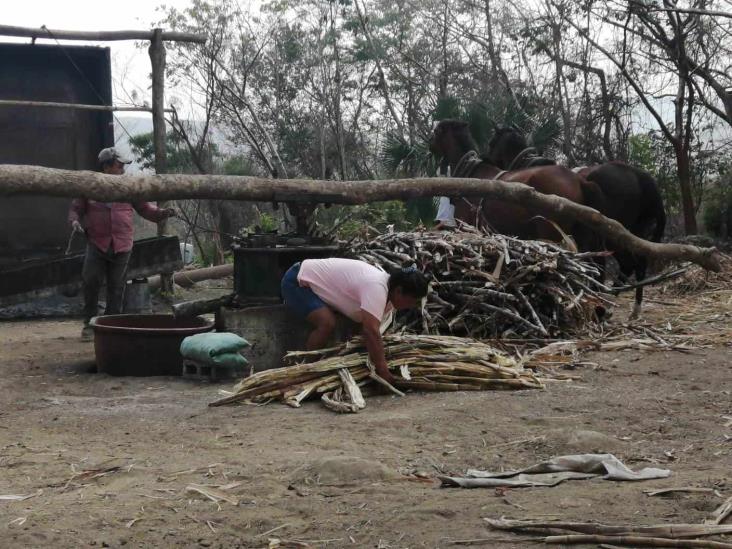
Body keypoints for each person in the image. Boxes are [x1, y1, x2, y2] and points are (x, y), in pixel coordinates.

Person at [69, 147, 176, 340]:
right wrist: (75, 221)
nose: (123, 169)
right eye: (119, 165)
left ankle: (110, 325)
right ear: (107, 166)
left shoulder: (128, 187)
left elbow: (145, 208)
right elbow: (76, 208)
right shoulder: (90, 185)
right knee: (91, 282)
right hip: (97, 242)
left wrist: (162, 214)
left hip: (122, 244)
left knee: (117, 287)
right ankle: (89, 324)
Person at [281, 258, 429, 383]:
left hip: (312, 282)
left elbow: (366, 330)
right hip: (298, 280)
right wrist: (383, 372)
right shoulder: (377, 287)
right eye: (411, 301)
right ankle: (306, 371)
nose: (411, 306)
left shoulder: (388, 296)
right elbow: (371, 332)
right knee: (326, 323)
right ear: (399, 291)